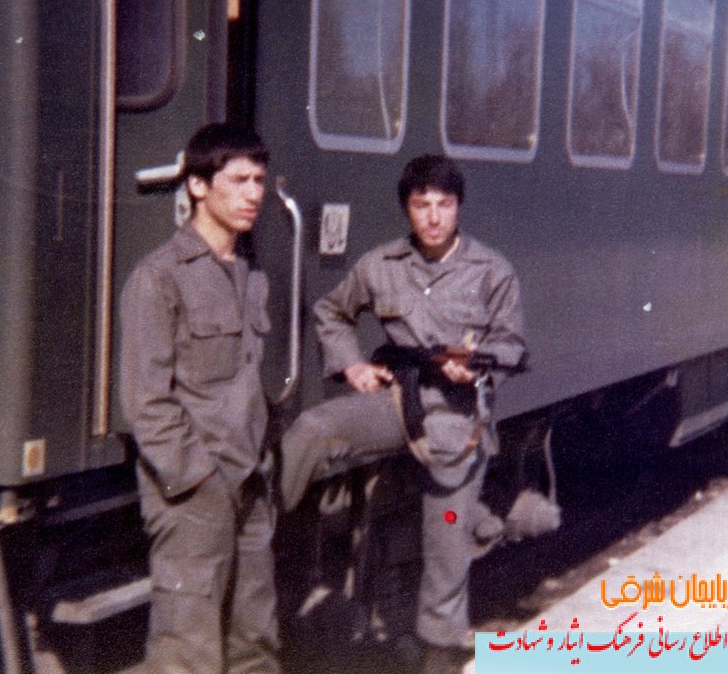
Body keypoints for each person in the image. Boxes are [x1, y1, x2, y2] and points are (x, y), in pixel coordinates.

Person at [280, 154, 527, 672]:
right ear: (407, 210)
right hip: (397, 401)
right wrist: (351, 365)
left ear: (459, 207)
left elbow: (511, 345)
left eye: (444, 205)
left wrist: (476, 369)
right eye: (421, 205)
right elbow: (331, 311)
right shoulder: (381, 265)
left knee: (448, 533)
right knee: (314, 429)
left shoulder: (492, 271)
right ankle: (262, 532)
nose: (434, 217)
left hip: (456, 417)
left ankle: (440, 649)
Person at [119, 123, 280, 673]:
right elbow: (147, 403)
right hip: (195, 492)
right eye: (238, 180)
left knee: (255, 645)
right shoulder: (159, 278)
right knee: (186, 655)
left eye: (259, 180)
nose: (254, 194)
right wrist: (199, 478)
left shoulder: (252, 277)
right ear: (197, 186)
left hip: (251, 484)